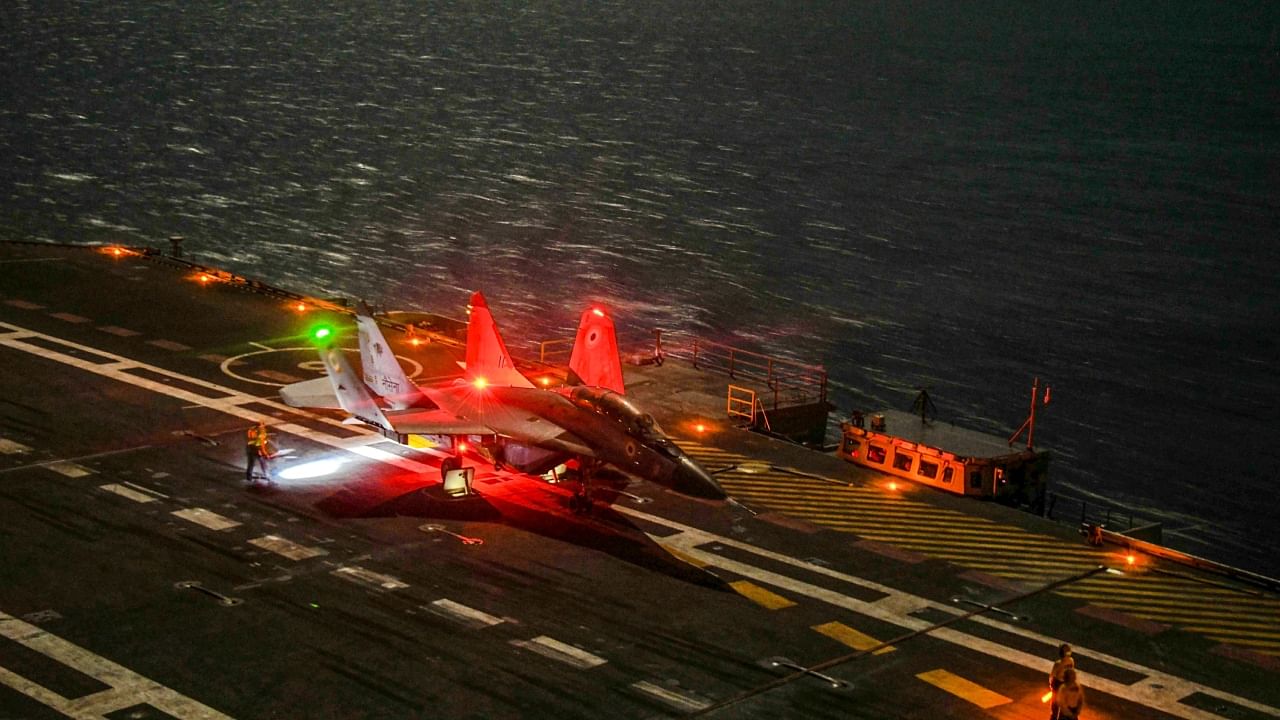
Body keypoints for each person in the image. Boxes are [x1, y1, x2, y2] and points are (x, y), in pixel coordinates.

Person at [1048, 643, 1075, 720]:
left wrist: (1051, 685)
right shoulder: (1071, 661)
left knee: (1055, 706)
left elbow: (1052, 675)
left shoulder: (1058, 663)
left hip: (1058, 685)